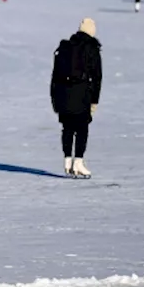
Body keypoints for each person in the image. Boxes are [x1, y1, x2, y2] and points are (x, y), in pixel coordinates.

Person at [51, 19, 102, 179]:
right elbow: (97, 77)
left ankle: (67, 159)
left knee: (67, 128)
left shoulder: (66, 46)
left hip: (63, 94)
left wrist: (55, 98)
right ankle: (78, 162)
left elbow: (55, 75)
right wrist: (94, 101)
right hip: (82, 94)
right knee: (81, 128)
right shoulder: (91, 48)